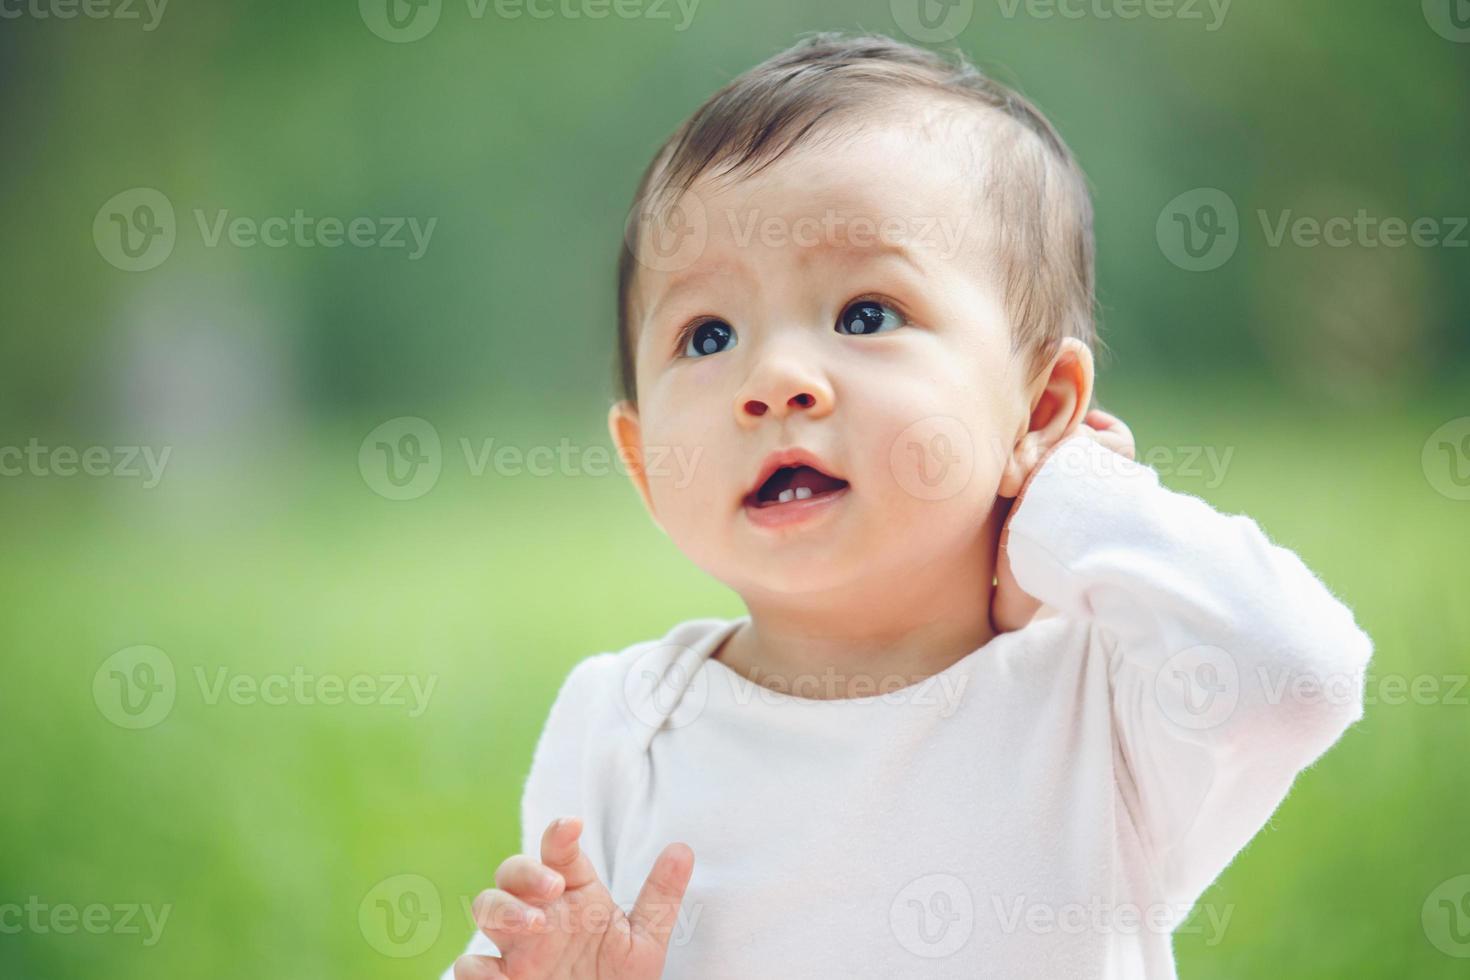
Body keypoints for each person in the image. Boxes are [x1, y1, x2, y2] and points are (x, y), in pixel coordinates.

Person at [445, 31, 1371, 979]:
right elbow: (527, 952)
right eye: (708, 332)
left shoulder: (1101, 701)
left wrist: (1072, 498)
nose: (773, 381)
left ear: (1042, 407)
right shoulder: (622, 724)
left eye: (865, 316)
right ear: (642, 464)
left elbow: (1298, 674)